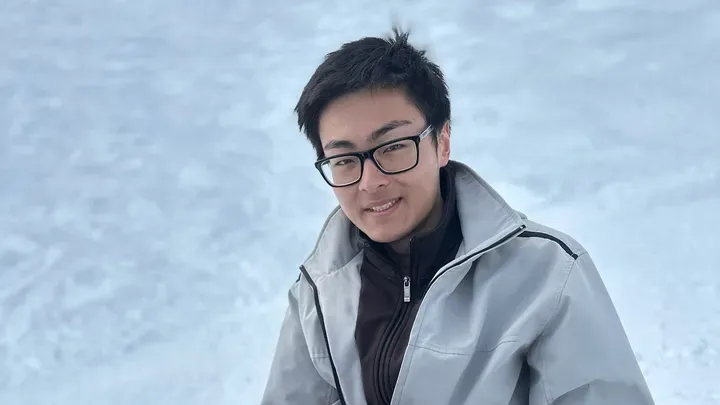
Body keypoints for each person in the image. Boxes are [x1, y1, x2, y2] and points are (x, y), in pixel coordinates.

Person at [260, 27, 655, 405]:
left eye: (393, 147)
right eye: (344, 159)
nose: (370, 181)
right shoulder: (318, 292)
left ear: (442, 141)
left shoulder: (548, 275)